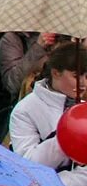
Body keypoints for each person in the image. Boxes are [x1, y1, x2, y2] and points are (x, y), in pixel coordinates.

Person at [10, 41, 87, 176]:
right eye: (76, 76)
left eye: (86, 77)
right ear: (56, 73)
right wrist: (66, 138)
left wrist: (69, 181)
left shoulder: (83, 109)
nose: (83, 84)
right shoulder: (25, 109)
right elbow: (27, 162)